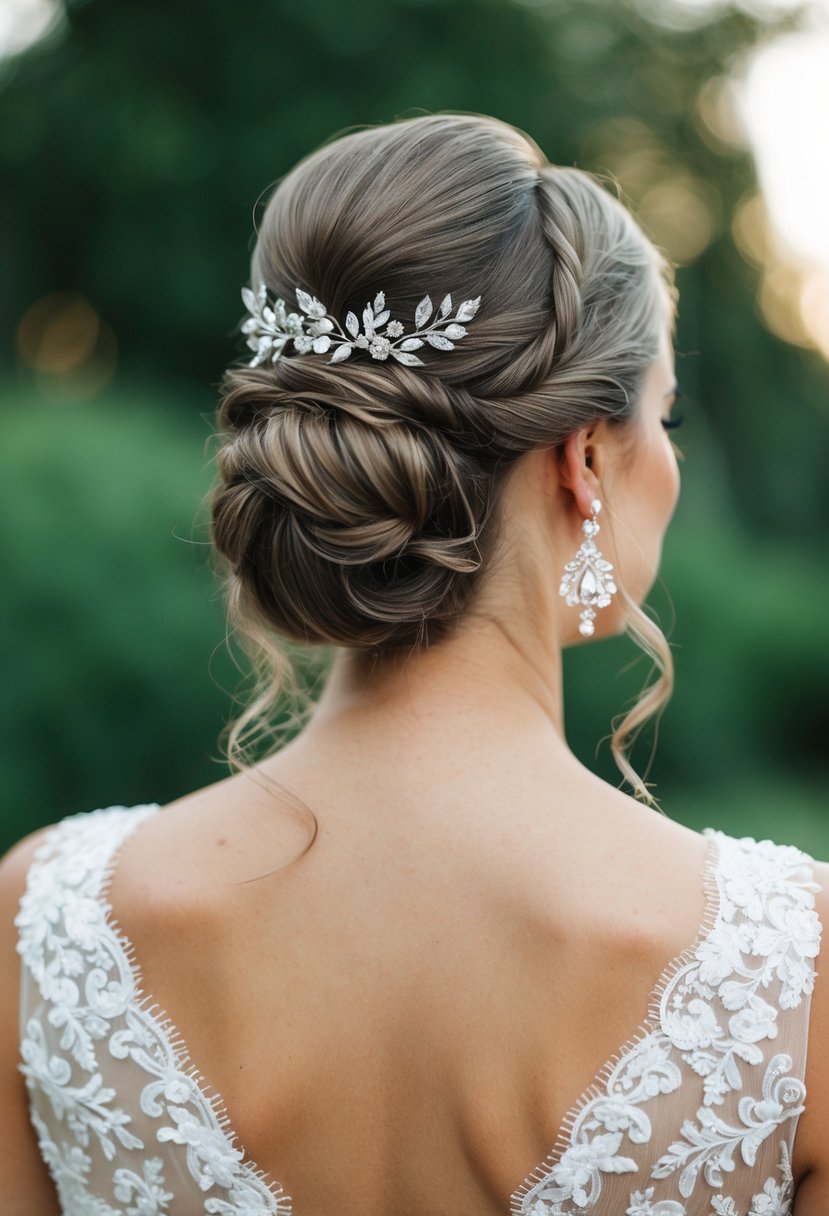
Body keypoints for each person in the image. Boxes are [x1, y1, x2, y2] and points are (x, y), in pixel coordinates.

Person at [0, 112, 826, 1216]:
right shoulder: (791, 972)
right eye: (661, 414)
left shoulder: (48, 919)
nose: (667, 457)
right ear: (584, 455)